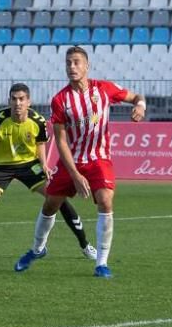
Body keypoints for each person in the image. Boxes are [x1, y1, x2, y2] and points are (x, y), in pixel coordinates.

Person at [14, 46, 146, 278]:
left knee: (105, 201)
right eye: (68, 63)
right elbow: (62, 142)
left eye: (76, 62)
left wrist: (140, 106)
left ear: (87, 66)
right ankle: (37, 250)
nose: (72, 67)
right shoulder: (60, 100)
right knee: (50, 205)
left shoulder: (104, 89)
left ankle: (101, 264)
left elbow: (136, 97)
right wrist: (75, 175)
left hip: (99, 159)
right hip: (70, 163)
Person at [0, 83, 96, 261]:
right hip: (0, 167)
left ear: (29, 101)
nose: (17, 103)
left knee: (59, 199)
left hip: (30, 165)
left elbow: (41, 143)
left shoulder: (38, 121)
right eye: (14, 99)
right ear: (9, 101)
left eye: (21, 99)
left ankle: (85, 245)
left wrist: (43, 164)